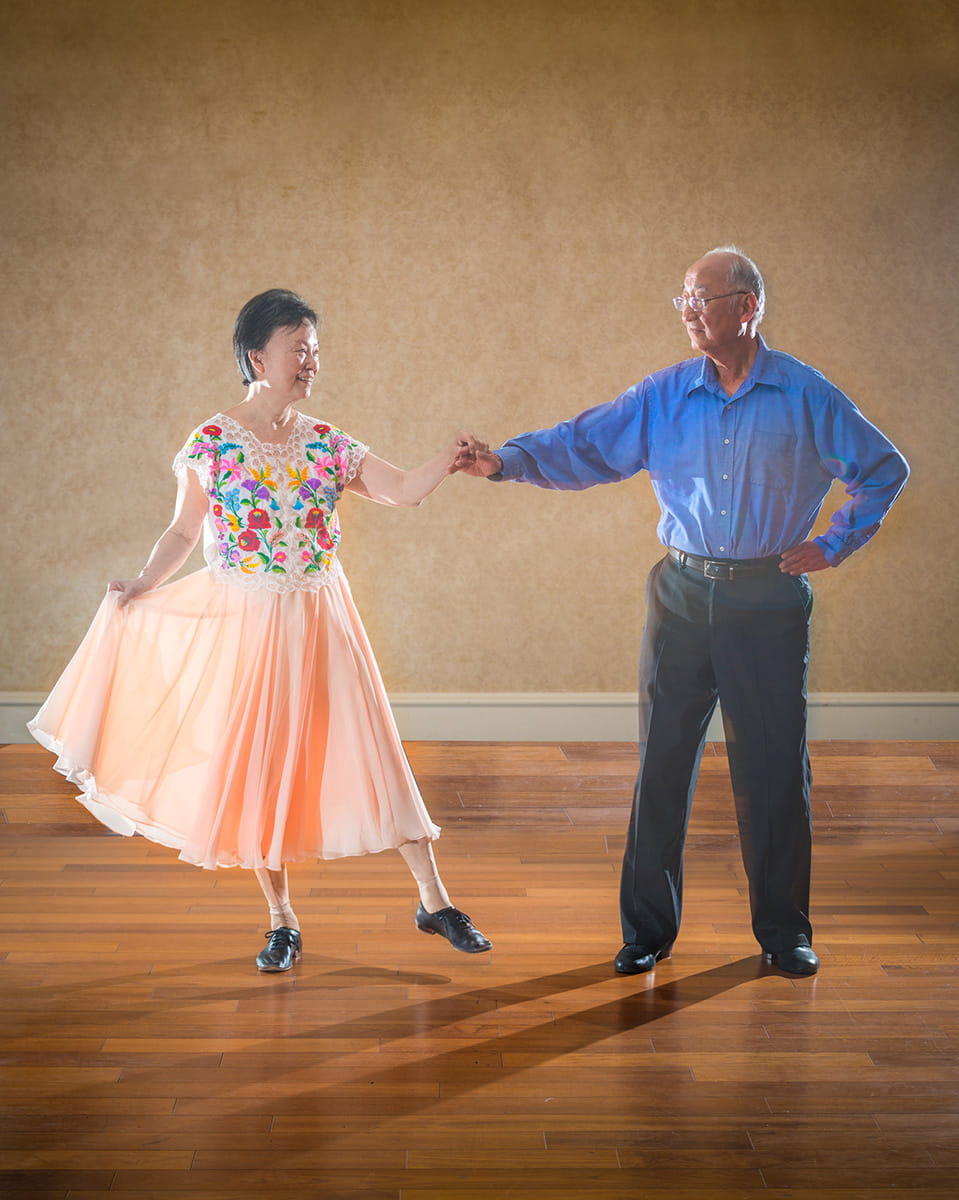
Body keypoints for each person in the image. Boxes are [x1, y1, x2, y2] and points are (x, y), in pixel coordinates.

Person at [456, 246, 908, 977]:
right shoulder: (664, 394)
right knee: (662, 765)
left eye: (702, 297)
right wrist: (504, 461)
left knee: (772, 772)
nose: (689, 311)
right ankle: (646, 932)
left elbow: (883, 469)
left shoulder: (803, 394)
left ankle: (784, 932)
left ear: (747, 306)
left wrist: (835, 542)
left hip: (765, 598)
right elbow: (585, 442)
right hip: (680, 594)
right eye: (683, 298)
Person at [29, 288, 491, 972]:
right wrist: (144, 584)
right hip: (252, 618)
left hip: (323, 612)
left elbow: (398, 491)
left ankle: (435, 901)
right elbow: (185, 529)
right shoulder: (212, 442)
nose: (310, 362)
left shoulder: (327, 442)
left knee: (375, 749)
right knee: (260, 768)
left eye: (314, 350)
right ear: (257, 356)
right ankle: (280, 920)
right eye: (297, 349)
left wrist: (447, 462)